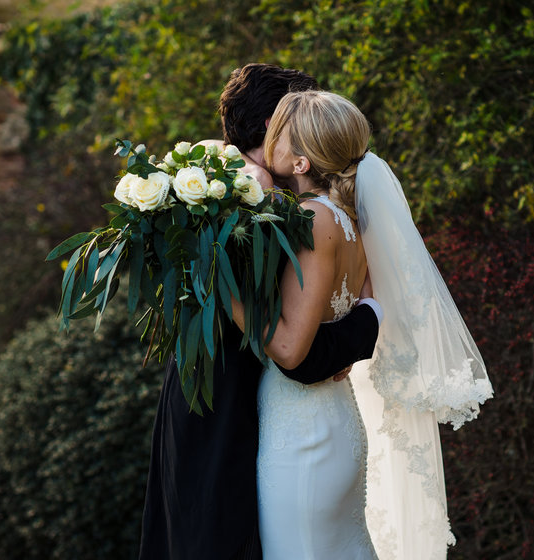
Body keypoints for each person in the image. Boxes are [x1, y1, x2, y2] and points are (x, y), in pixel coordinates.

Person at [137, 65, 383, 560]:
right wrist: (363, 325)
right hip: (221, 410)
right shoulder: (236, 195)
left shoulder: (298, 204)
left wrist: (358, 327)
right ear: (274, 126)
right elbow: (305, 354)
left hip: (272, 415)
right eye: (296, 116)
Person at [245, 90, 494, 560]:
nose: (266, 138)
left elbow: (291, 351)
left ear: (300, 164)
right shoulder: (349, 219)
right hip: (337, 418)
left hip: (301, 432)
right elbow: (358, 312)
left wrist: (222, 294)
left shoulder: (312, 218)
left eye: (275, 133)